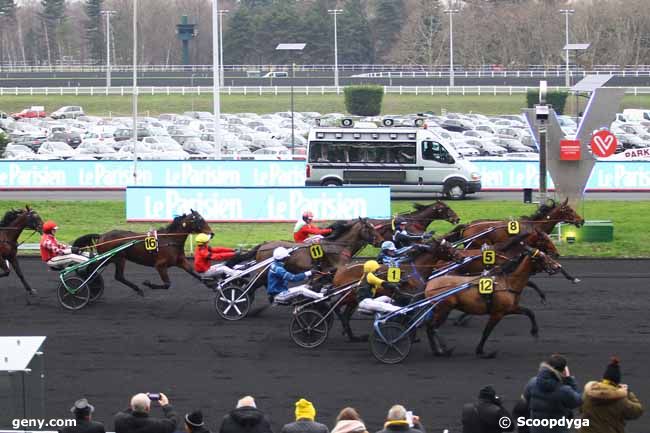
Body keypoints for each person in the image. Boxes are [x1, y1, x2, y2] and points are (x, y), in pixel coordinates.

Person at [578, 357, 644, 433]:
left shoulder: (587, 394)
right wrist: (628, 393)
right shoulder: (621, 400)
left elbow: (580, 409)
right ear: (617, 381)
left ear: (604, 378)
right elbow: (637, 411)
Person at [522, 354, 582, 433]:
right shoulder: (564, 390)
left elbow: (525, 400)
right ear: (563, 370)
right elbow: (578, 401)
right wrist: (569, 379)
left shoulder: (532, 382)